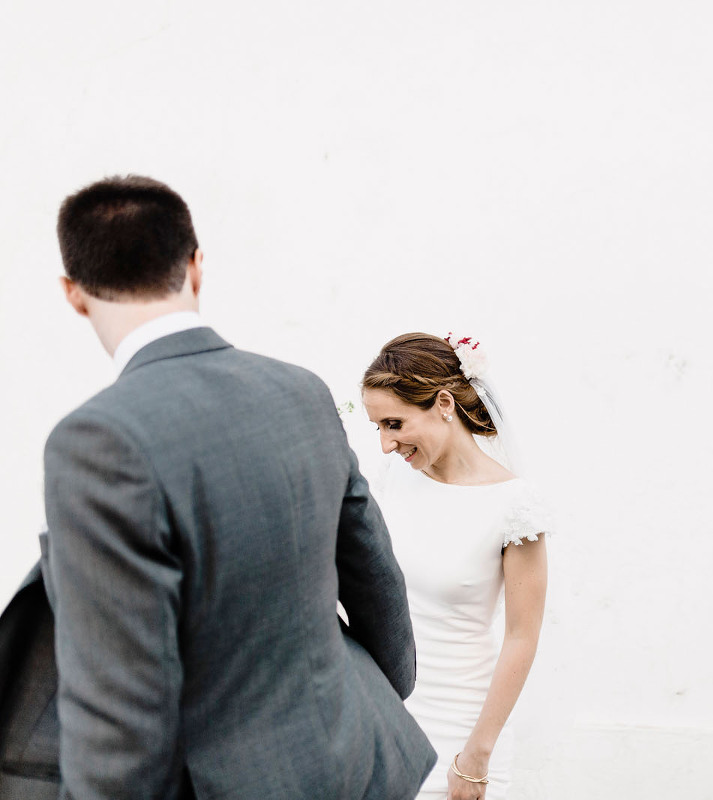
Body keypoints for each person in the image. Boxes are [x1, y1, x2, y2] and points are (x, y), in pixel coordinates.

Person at [42, 175, 436, 799]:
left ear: (73, 294)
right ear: (196, 268)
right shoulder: (300, 392)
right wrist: (371, 698)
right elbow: (373, 572)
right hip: (355, 765)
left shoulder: (97, 440)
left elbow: (116, 709)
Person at [361, 333, 551, 800]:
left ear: (444, 403)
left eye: (394, 423)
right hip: (383, 723)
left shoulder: (514, 505)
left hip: (461, 731)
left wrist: (476, 755)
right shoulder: (393, 483)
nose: (386, 445)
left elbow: (522, 637)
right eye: (378, 428)